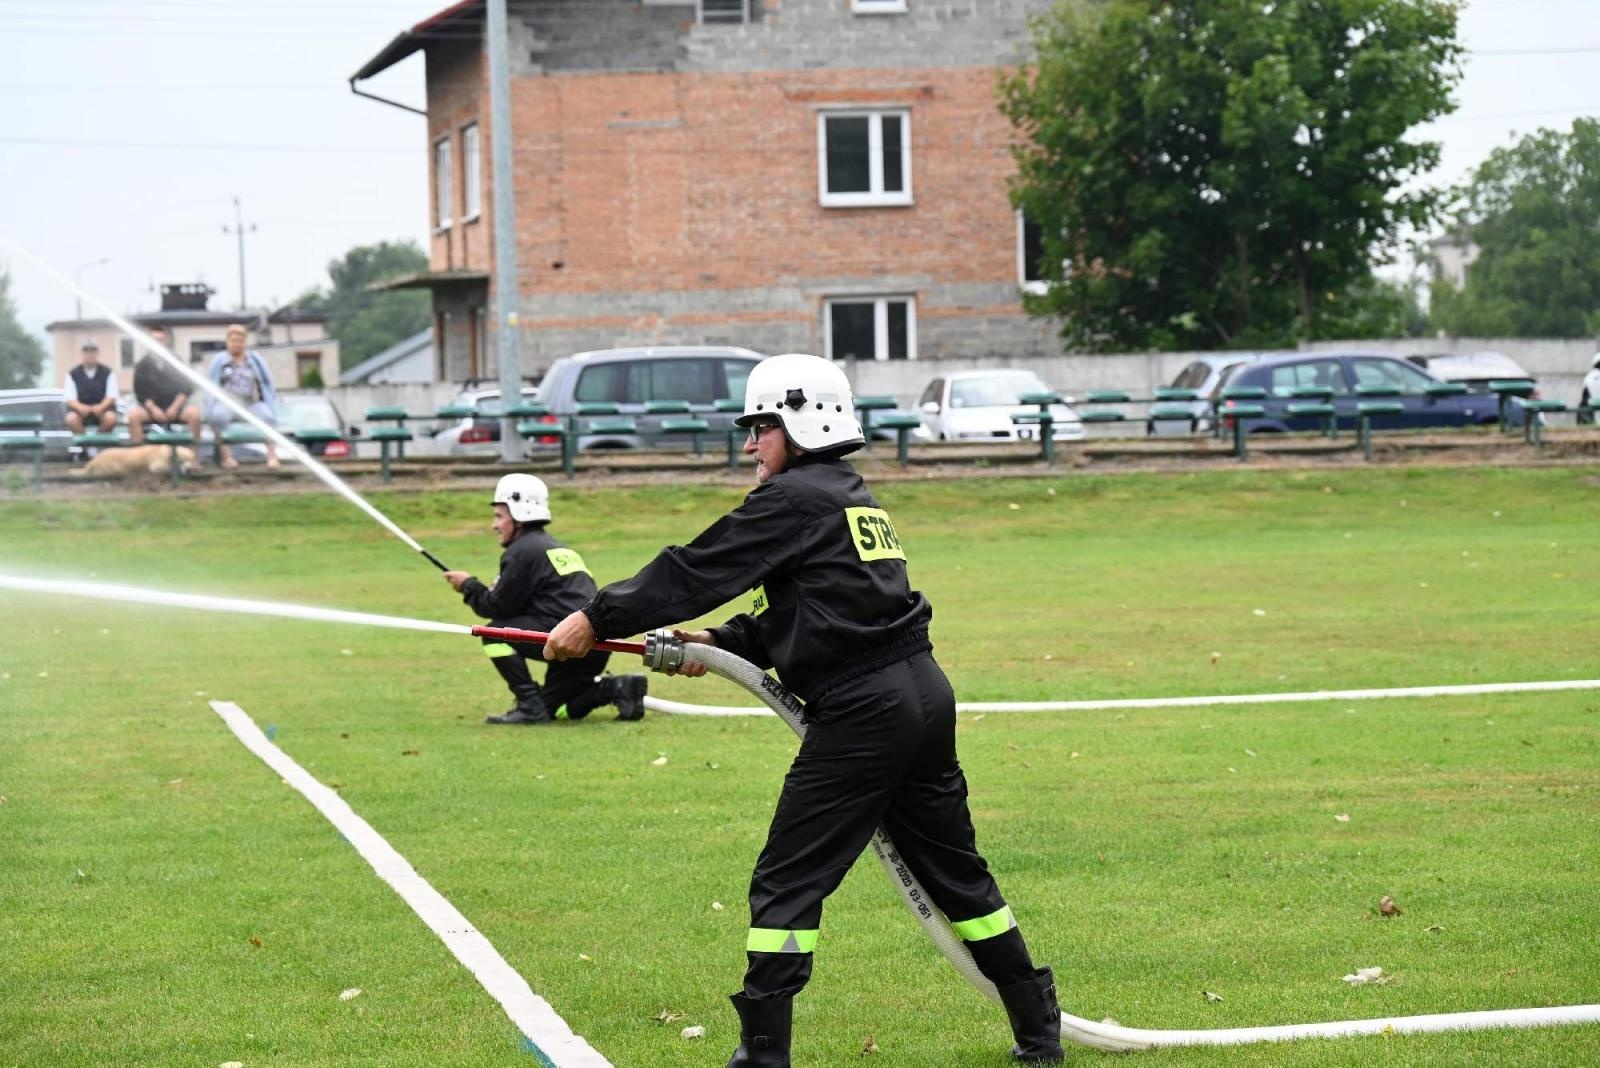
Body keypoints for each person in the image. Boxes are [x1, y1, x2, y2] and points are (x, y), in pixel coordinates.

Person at [542, 354, 1064, 1066]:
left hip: (866, 711)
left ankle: (762, 1054)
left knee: (789, 879)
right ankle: (1040, 1035)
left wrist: (595, 618)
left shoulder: (793, 500)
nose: (751, 445)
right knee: (957, 874)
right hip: (920, 695)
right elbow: (818, 614)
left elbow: (697, 568)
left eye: (759, 427)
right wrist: (720, 641)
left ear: (800, 421)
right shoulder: (851, 496)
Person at [444, 473, 648, 726]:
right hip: (595, 644)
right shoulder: (556, 548)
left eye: (499, 516)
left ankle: (529, 705)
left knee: (493, 632)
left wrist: (467, 585)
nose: (494, 525)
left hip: (566, 637)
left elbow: (497, 607)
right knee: (556, 710)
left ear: (519, 515)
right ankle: (615, 688)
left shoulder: (522, 552)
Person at [205, 324, 279, 469]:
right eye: (233, 341)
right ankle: (227, 457)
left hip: (251, 402)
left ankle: (272, 456)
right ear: (227, 342)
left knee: (268, 418)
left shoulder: (255, 360)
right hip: (228, 402)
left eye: (240, 341)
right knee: (217, 417)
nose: (236, 344)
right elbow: (211, 383)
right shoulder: (219, 361)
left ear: (245, 342)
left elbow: (266, 381)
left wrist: (270, 398)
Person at [128, 327, 203, 444]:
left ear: (166, 341)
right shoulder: (142, 365)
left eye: (161, 339)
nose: (158, 343)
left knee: (194, 414)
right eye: (155, 340)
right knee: (134, 416)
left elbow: (187, 387)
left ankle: (193, 458)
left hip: (176, 408)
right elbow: (140, 393)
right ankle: (141, 456)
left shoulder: (176, 361)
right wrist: (154, 410)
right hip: (151, 410)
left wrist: (175, 407)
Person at [62, 338, 119, 435]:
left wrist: (100, 407)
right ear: (82, 354)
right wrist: (81, 408)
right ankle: (84, 445)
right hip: (80, 410)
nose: (89, 355)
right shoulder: (72, 374)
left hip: (102, 410)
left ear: (97, 354)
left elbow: (111, 397)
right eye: (86, 352)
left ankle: (99, 441)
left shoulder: (108, 372)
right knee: (71, 418)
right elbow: (70, 399)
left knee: (111, 418)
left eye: (92, 352)